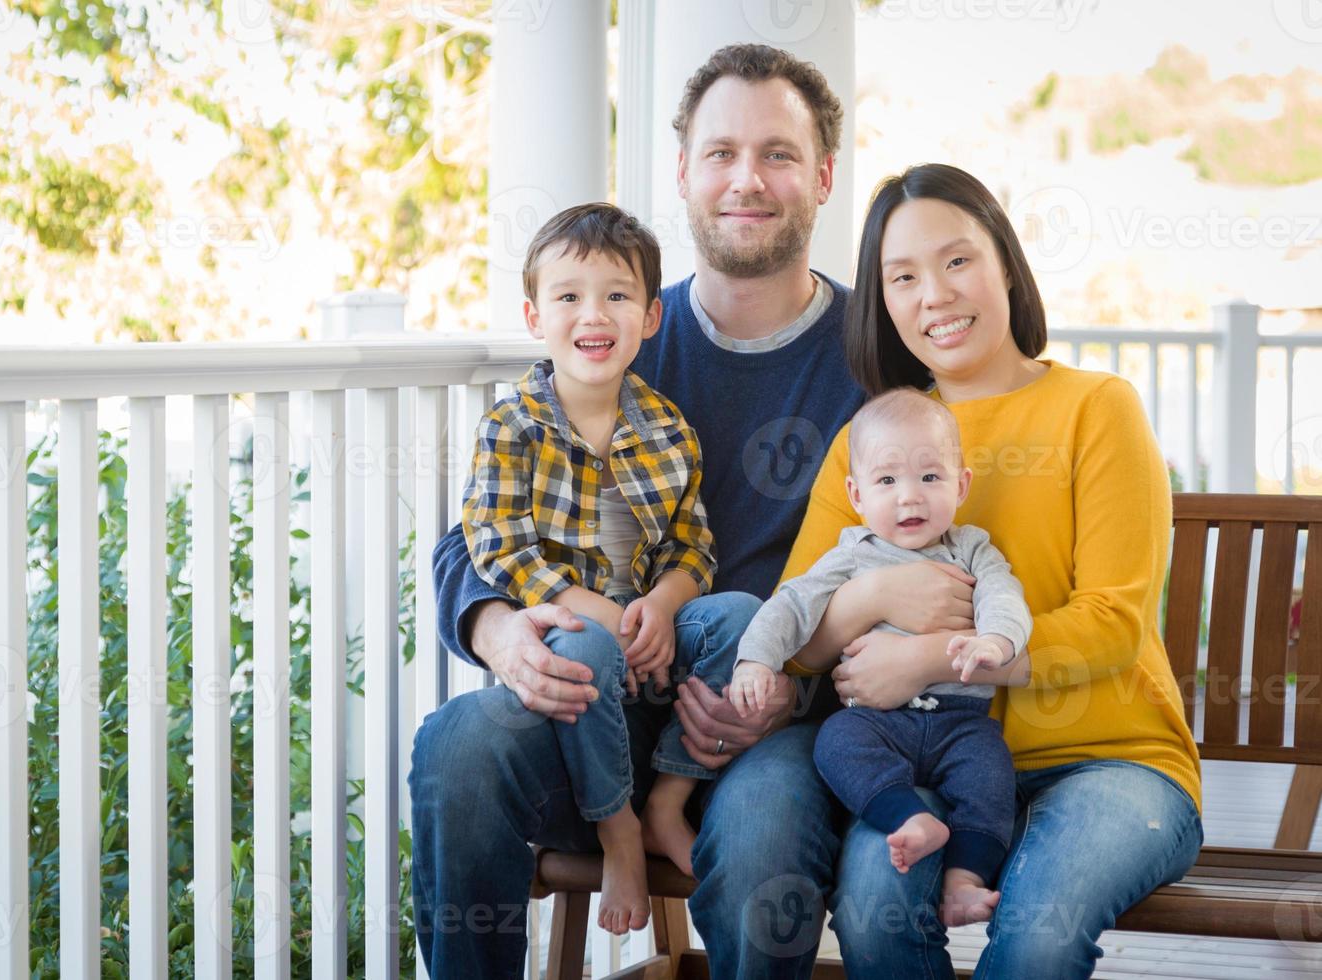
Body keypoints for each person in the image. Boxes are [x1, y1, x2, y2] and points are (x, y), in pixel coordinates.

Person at [412, 44, 863, 978]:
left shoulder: (871, 363)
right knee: (460, 745)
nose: (747, 179)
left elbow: (910, 563)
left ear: (822, 176)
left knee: (768, 833)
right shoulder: (609, 329)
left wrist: (790, 689)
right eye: (721, 152)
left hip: (765, 717)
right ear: (684, 174)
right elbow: (476, 536)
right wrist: (501, 635)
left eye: (778, 153)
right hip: (593, 692)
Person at [782, 162, 1202, 979]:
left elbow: (1114, 624)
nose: (934, 295)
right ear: (883, 302)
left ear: (1005, 264)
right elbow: (800, 640)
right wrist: (870, 594)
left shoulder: (1095, 408)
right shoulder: (871, 443)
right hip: (930, 761)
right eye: (902, 277)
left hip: (1111, 761)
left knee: (1038, 938)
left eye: (957, 261)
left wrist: (932, 657)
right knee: (872, 907)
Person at [461, 201, 758, 933]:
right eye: (569, 296)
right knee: (587, 646)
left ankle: (665, 804)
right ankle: (618, 824)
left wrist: (661, 606)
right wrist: (602, 616)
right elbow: (497, 542)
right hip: (575, 640)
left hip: (652, 639)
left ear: (652, 317)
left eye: (617, 296)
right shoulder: (513, 427)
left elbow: (695, 546)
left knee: (739, 616)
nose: (593, 314)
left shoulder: (667, 427)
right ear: (535, 315)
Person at [730, 387, 1032, 929]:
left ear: (961, 485)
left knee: (990, 776)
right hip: (875, 720)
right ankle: (909, 817)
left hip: (961, 723)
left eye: (930, 477)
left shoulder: (972, 548)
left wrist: (997, 642)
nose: (909, 498)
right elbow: (792, 606)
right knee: (837, 743)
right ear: (857, 494)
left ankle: (965, 882)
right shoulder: (852, 553)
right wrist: (755, 660)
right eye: (887, 481)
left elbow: (1002, 595)